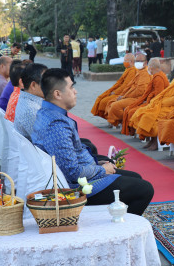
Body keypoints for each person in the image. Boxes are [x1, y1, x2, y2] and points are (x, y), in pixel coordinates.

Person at [31, 68, 154, 216]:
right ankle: (121, 230)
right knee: (145, 189)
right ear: (57, 94)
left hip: (82, 172)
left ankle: (120, 219)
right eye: (71, 87)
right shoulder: (56, 125)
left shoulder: (48, 112)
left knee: (135, 177)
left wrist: (96, 163)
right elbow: (72, 172)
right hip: (77, 188)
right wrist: (102, 170)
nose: (75, 91)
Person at [129, 57, 174, 146]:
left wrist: (162, 102)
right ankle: (151, 139)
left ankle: (155, 141)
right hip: (165, 103)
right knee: (142, 112)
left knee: (149, 116)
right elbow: (166, 93)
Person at [121, 58, 169, 141]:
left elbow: (158, 95)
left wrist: (147, 100)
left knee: (134, 111)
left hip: (156, 103)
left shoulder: (158, 78)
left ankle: (147, 137)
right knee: (130, 110)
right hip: (150, 101)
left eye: (149, 66)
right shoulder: (155, 76)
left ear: (151, 67)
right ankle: (145, 137)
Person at [106, 54, 151, 126]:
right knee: (111, 102)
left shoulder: (145, 73)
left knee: (115, 106)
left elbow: (140, 91)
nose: (138, 62)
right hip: (130, 96)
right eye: (137, 61)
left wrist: (125, 96)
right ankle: (123, 121)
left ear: (145, 62)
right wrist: (122, 95)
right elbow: (128, 86)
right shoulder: (139, 71)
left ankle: (127, 122)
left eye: (140, 61)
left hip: (137, 98)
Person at [91, 54, 137, 118]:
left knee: (105, 101)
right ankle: (109, 117)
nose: (124, 62)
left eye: (126, 61)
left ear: (131, 62)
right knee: (101, 98)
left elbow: (126, 86)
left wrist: (115, 92)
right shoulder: (128, 69)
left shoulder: (132, 71)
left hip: (123, 93)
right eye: (124, 61)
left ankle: (112, 119)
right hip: (120, 91)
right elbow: (120, 83)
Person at [14, 63, 47, 141]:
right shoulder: (32, 110)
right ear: (33, 85)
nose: (51, 85)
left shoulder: (25, 98)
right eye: (47, 82)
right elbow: (48, 142)